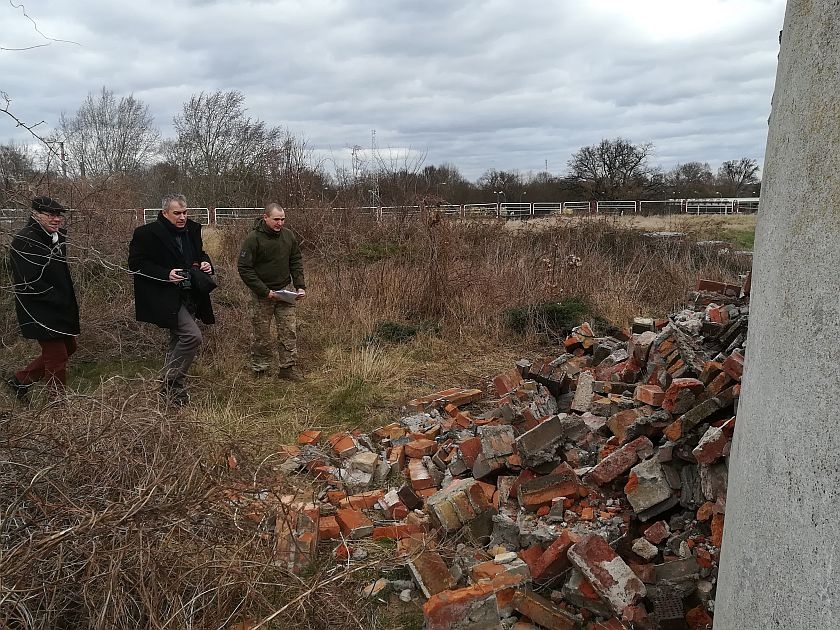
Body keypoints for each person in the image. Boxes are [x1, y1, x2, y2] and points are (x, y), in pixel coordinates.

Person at [128, 194, 215, 405]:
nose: (182, 217)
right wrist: (165, 274)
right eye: (177, 213)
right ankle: (171, 382)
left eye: (185, 212)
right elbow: (136, 264)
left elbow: (200, 253)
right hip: (163, 296)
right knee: (192, 336)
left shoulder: (192, 230)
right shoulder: (146, 234)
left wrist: (205, 263)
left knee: (177, 339)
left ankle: (169, 394)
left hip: (190, 293)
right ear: (165, 212)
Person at [6, 196, 80, 400]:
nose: (56, 219)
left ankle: (20, 380)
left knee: (69, 347)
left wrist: (65, 302)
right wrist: (57, 299)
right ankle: (57, 407)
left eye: (59, 215)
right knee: (57, 357)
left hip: (58, 307)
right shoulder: (25, 240)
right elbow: (28, 282)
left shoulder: (56, 237)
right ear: (36, 215)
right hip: (40, 309)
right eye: (51, 215)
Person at [237, 203, 306, 380]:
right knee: (261, 334)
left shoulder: (288, 236)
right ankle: (260, 369)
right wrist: (264, 291)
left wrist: (300, 286)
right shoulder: (253, 239)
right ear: (265, 217)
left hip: (285, 293)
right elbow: (244, 268)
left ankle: (287, 368)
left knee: (289, 331)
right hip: (262, 296)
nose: (280, 223)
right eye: (276, 219)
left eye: (283, 219)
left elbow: (296, 261)